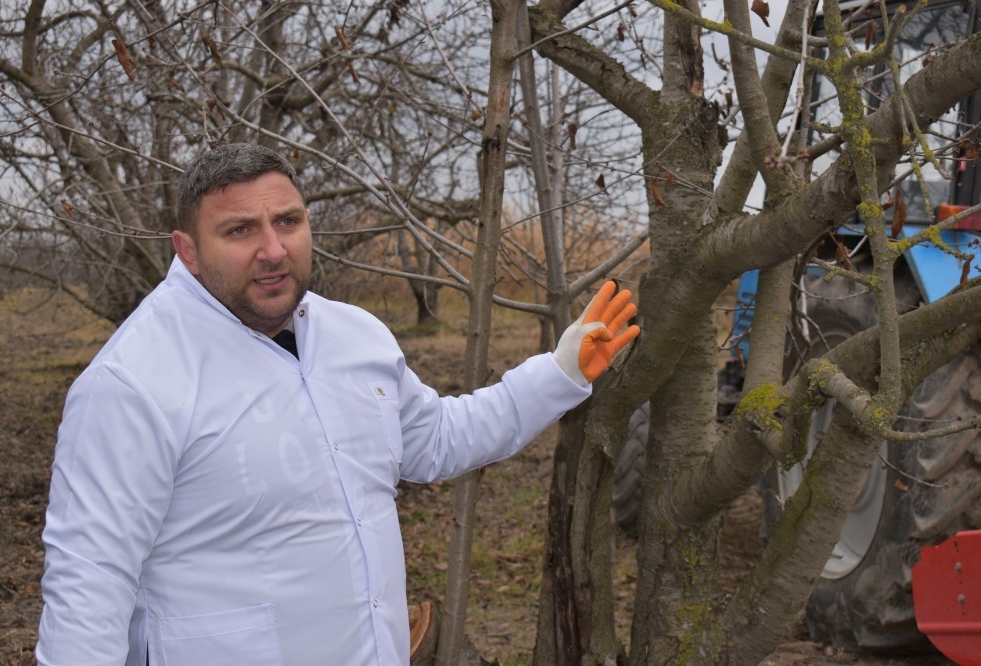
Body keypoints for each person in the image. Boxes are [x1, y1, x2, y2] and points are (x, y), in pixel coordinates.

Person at [36, 143, 639, 666]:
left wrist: (558, 375)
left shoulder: (355, 336)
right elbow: (89, 585)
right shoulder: (131, 382)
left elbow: (435, 441)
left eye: (288, 221)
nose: (273, 249)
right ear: (187, 250)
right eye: (240, 230)